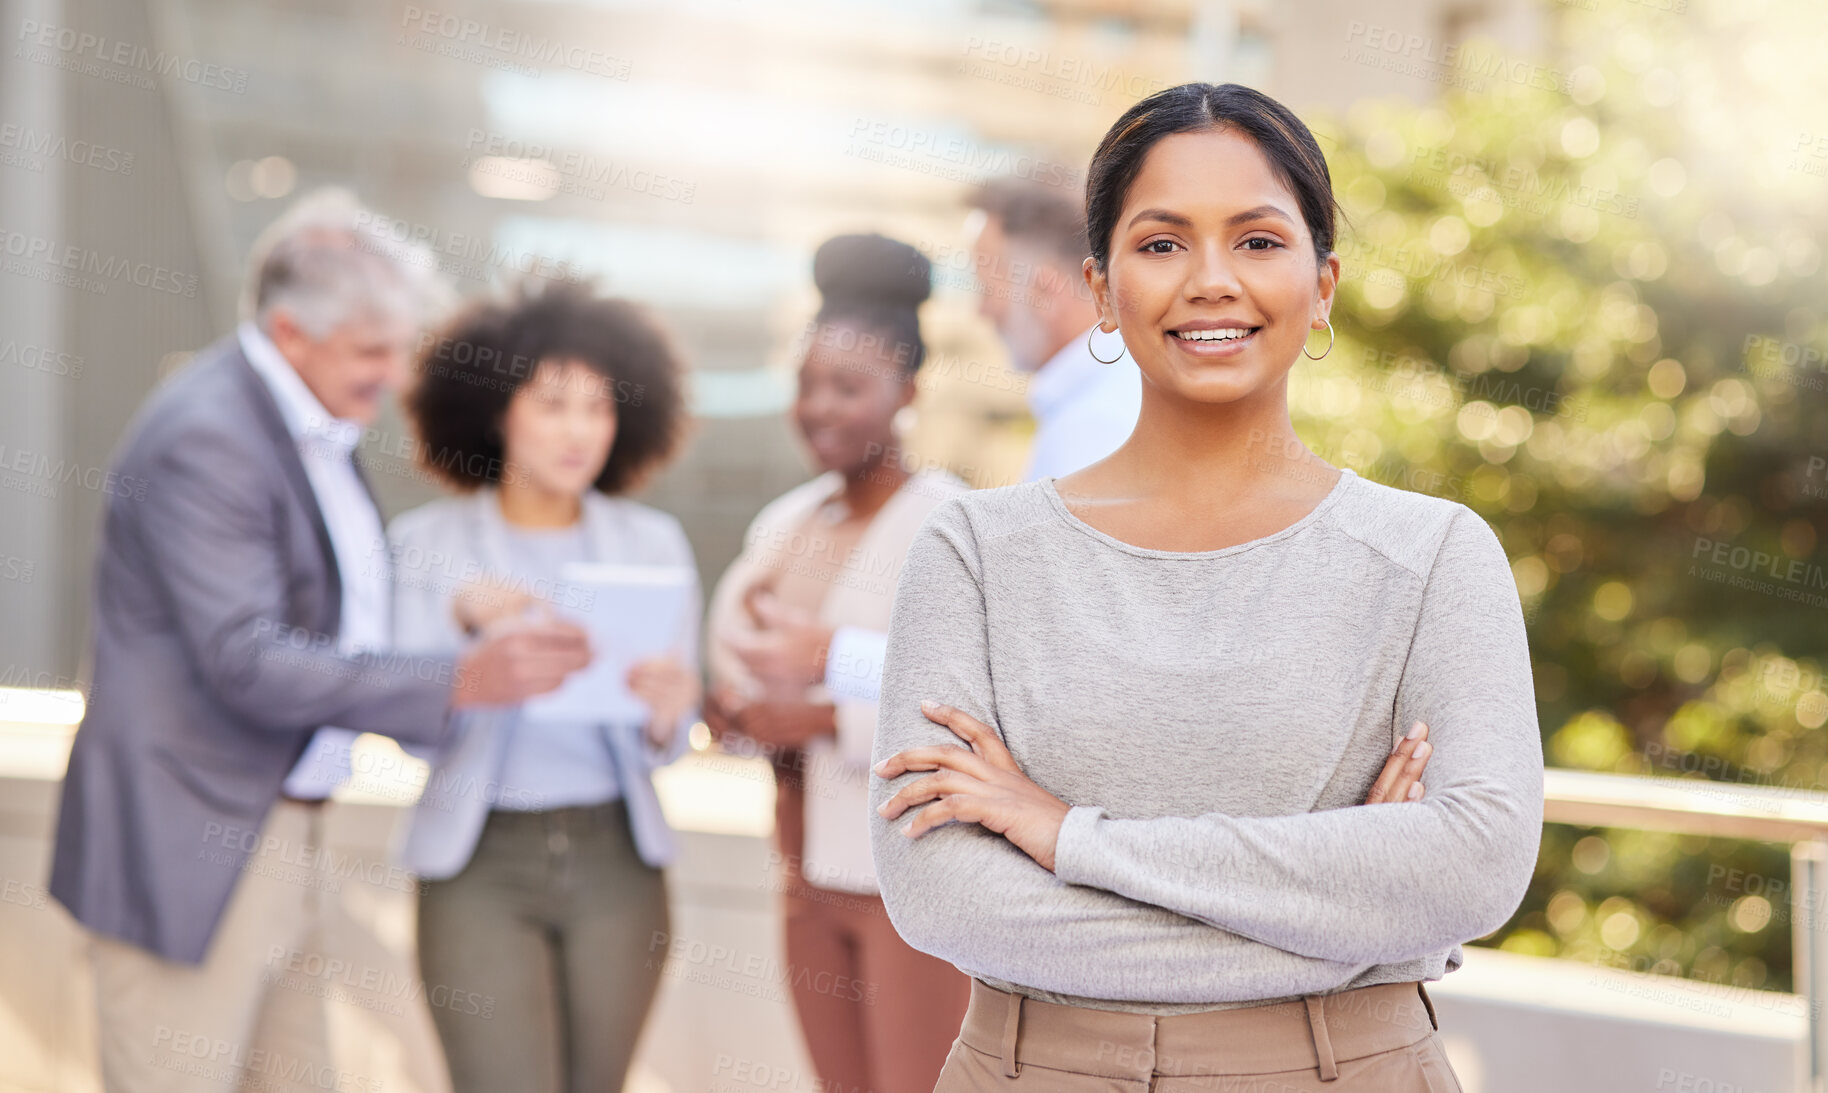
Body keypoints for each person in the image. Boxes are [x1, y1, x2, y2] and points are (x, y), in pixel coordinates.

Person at [869, 83, 1543, 1092]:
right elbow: (943, 895)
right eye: (1161, 243)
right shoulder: (973, 552)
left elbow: (1472, 868)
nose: (1212, 280)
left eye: (1260, 241)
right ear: (1099, 286)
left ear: (1323, 284)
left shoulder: (1433, 556)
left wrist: (1064, 835)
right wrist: (1349, 906)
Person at [47, 189, 593, 1093]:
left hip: (278, 835)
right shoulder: (210, 437)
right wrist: (458, 678)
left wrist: (454, 629)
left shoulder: (307, 427)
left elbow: (335, 622)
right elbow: (248, 658)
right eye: (371, 351)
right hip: (194, 845)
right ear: (293, 331)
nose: (391, 376)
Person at [385, 279, 700, 1093]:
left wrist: (672, 715)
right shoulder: (427, 546)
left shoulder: (653, 543)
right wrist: (462, 638)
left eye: (598, 408)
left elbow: (668, 735)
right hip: (480, 860)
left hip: (616, 865)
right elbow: (400, 722)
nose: (579, 431)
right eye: (554, 403)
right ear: (495, 409)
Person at [703, 233, 972, 1093]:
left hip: (901, 879)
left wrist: (818, 718)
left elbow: (967, 703)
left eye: (850, 387)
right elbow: (741, 672)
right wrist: (731, 716)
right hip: (800, 867)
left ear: (908, 391)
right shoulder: (783, 523)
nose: (822, 407)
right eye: (808, 384)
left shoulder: (954, 525)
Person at [965, 175, 1142, 483]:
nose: (981, 312)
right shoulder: (1112, 391)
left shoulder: (1094, 425)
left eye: (987, 289)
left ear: (1046, 292)